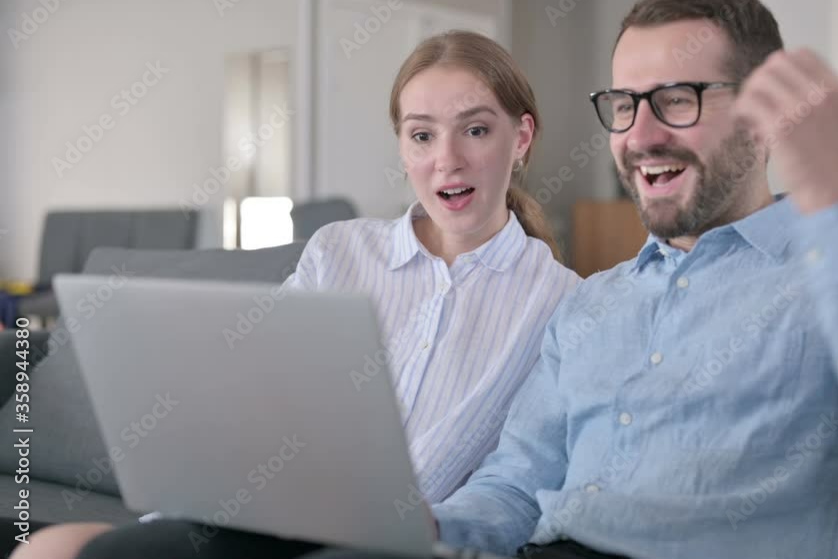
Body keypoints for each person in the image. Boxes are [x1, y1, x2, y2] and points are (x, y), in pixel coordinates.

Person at [56, 0, 838, 557]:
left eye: (677, 99)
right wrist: (432, 526)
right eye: (624, 103)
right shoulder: (596, 306)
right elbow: (514, 483)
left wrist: (837, 206)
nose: (639, 134)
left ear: (762, 112)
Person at [10, 30, 580, 559]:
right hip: (258, 519)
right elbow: (251, 405)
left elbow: (517, 481)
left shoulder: (562, 303)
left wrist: (434, 525)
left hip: (390, 547)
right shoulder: (339, 251)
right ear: (403, 148)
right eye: (422, 135)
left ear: (521, 137)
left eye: (475, 130)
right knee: (49, 549)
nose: (447, 160)